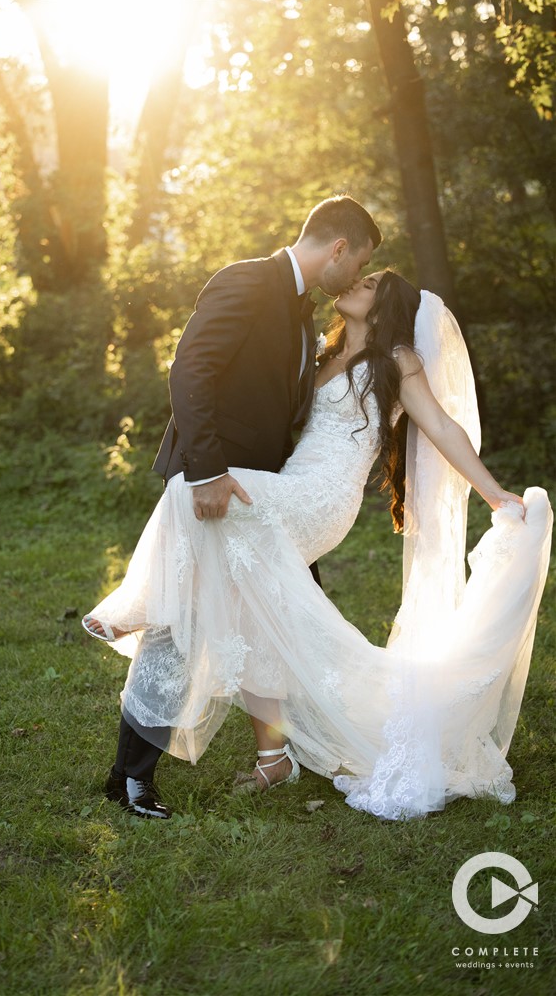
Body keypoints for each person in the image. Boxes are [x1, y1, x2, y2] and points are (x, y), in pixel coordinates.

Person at [83, 268, 552, 821]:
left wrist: (494, 493)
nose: (355, 282)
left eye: (370, 282)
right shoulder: (321, 349)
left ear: (386, 307)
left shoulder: (397, 360)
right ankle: (273, 756)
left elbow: (444, 428)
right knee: (254, 610)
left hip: (323, 498)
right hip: (289, 485)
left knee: (197, 489)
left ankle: (138, 605)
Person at [83, 195, 382, 818]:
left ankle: (297, 754)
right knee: (177, 628)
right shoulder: (247, 280)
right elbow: (190, 367)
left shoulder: (305, 313)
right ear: (338, 249)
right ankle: (133, 777)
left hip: (269, 500)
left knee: (296, 624)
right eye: (360, 263)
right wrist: (209, 471)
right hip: (218, 489)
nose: (356, 279)